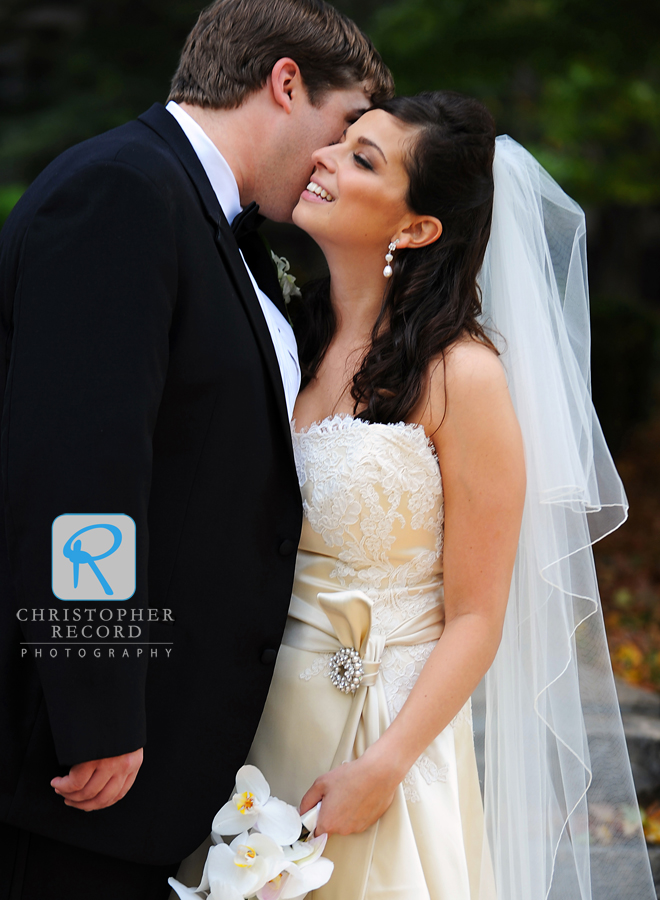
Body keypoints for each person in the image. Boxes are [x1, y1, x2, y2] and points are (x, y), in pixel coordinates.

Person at [174, 93, 656, 899]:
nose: (324, 158)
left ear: (416, 227)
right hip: (252, 724)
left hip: (380, 737)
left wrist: (383, 766)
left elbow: (476, 614)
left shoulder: (461, 375)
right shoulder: (285, 340)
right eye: (340, 142)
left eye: (364, 159)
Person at [0, 1, 393, 898]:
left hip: (173, 766)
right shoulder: (123, 192)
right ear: (285, 83)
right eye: (341, 128)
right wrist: (95, 697)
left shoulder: (223, 227)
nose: (335, 159)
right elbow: (80, 466)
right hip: (80, 767)